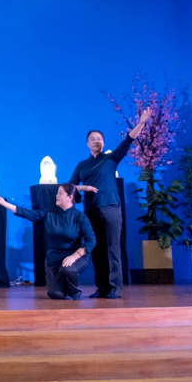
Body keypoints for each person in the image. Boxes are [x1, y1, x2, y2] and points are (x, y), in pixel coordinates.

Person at [69, 108, 150, 299]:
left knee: (113, 249)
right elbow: (70, 186)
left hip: (111, 208)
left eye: (99, 138)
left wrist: (141, 122)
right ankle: (102, 287)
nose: (96, 140)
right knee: (97, 249)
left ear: (103, 142)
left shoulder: (110, 158)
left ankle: (115, 288)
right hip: (90, 211)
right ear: (87, 143)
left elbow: (128, 140)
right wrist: (82, 188)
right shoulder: (82, 165)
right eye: (93, 138)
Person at [0, 184, 95, 300]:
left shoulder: (80, 217)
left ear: (69, 197)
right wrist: (3, 203)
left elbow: (91, 240)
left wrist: (74, 256)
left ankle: (74, 293)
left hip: (76, 256)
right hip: (54, 259)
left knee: (68, 269)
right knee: (55, 295)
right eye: (57, 193)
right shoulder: (49, 213)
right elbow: (26, 213)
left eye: (60, 193)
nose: (56, 196)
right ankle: (63, 286)